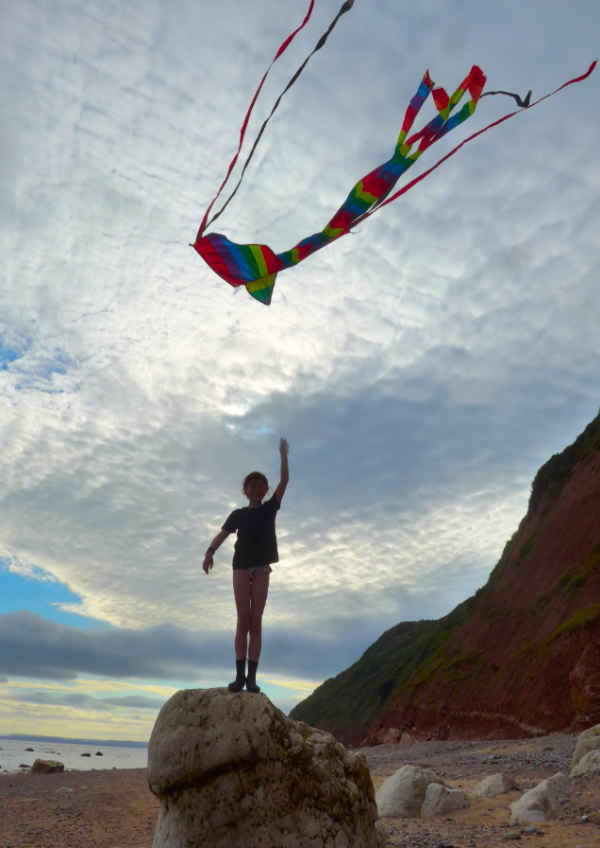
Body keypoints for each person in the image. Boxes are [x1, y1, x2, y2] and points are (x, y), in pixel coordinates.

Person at [203, 438, 289, 693]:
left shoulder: (270, 508)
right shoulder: (238, 514)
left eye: (260, 484)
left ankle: (251, 679)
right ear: (246, 490)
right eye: (251, 484)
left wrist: (284, 455)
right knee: (243, 619)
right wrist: (209, 552)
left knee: (256, 621)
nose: (256, 487)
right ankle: (239, 677)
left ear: (264, 489)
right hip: (240, 567)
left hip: (262, 568)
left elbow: (284, 482)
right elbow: (222, 535)